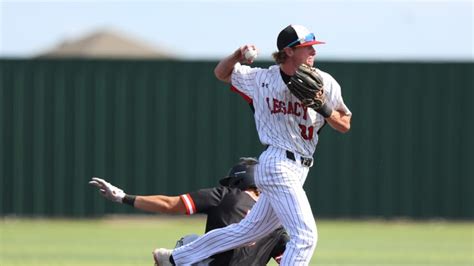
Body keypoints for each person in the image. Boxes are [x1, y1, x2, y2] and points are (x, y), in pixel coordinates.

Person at [153, 24, 352, 266]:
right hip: (277, 162)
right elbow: (221, 73)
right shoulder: (261, 79)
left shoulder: (324, 83)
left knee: (247, 231)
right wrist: (237, 55)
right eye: (307, 47)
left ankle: (174, 258)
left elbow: (344, 124)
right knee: (305, 236)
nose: (313, 52)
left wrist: (324, 108)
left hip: (299, 168)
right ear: (288, 51)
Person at [89, 157, 289, 266]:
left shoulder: (226, 194)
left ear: (238, 180)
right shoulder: (276, 220)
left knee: (188, 243)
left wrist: (123, 197)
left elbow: (169, 204)